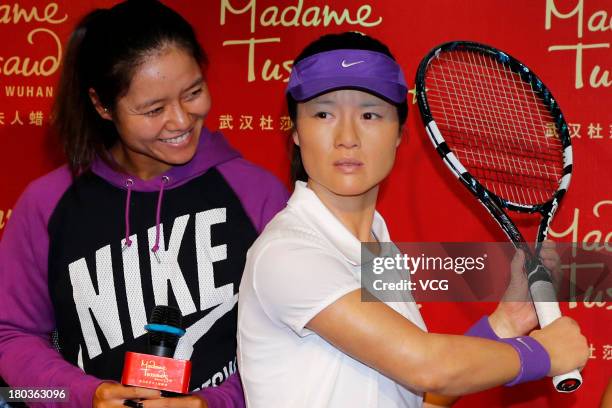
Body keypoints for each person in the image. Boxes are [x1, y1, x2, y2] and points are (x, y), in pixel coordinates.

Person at [237, 32, 588, 407]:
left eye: (370, 114)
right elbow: (425, 365)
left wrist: (506, 323)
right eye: (323, 114)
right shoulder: (287, 253)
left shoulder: (377, 246)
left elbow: (422, 397)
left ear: (400, 134)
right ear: (295, 130)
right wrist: (544, 355)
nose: (347, 137)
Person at [0, 1, 288, 407]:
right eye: (153, 109)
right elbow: (10, 338)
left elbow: (295, 340)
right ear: (102, 105)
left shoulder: (257, 192)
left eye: (193, 93)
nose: (181, 120)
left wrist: (216, 402)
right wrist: (87, 395)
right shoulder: (45, 204)